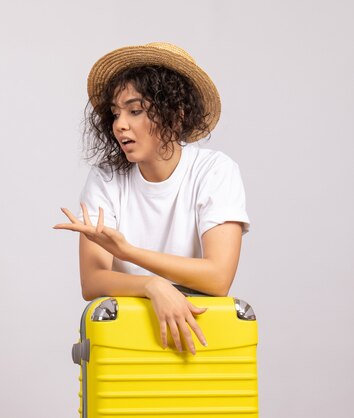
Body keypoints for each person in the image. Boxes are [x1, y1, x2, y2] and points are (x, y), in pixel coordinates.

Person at [54, 42, 250, 355]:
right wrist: (152, 286)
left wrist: (128, 253)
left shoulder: (215, 171)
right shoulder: (106, 178)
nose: (120, 124)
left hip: (201, 344)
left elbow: (217, 278)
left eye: (135, 111)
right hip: (127, 345)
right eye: (116, 113)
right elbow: (92, 282)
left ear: (176, 114)